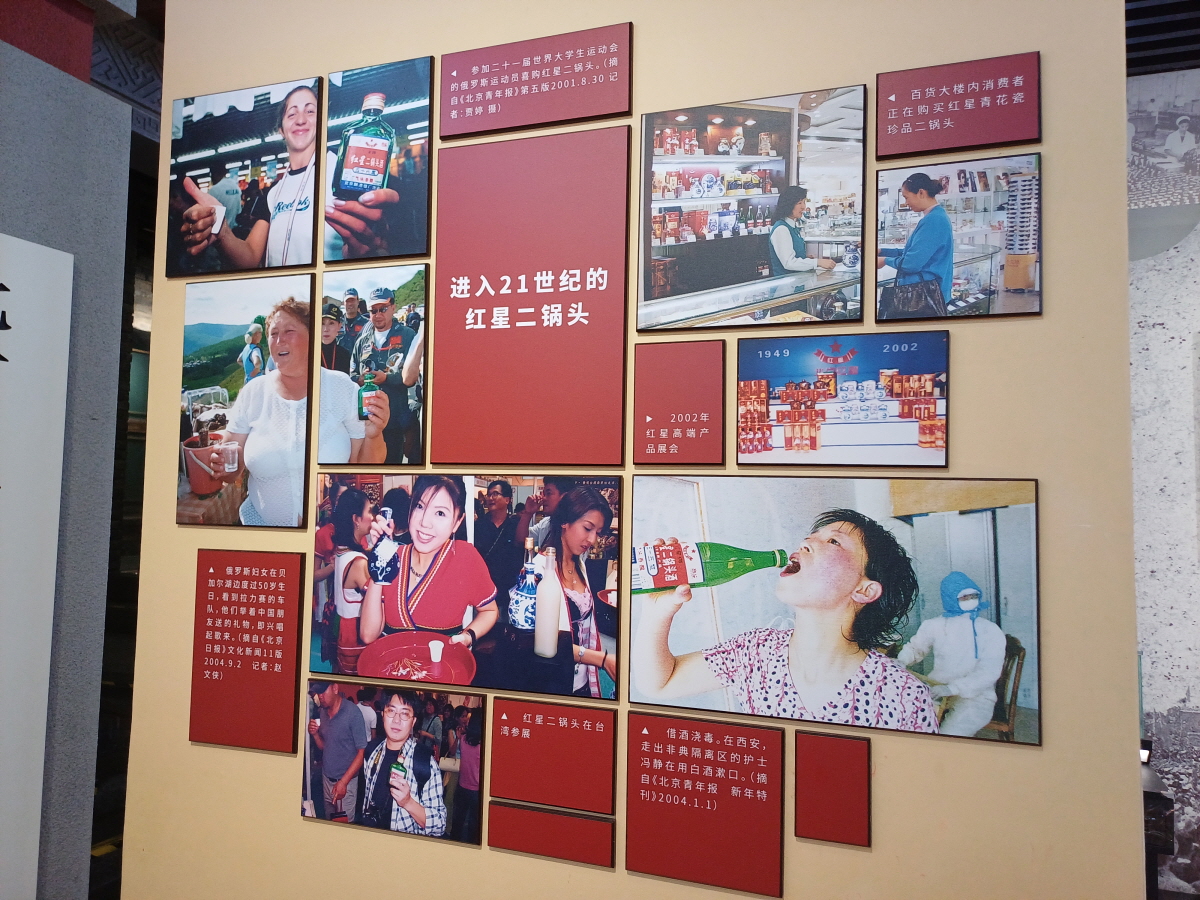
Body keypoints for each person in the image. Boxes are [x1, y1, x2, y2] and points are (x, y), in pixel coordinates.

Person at [632, 509, 938, 733]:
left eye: (834, 541)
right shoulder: (755, 650)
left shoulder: (904, 696)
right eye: (810, 537)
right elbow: (660, 684)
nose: (805, 543)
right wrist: (658, 611)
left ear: (865, 590)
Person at [210, 299, 389, 525]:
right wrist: (223, 464)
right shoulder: (252, 394)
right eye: (273, 334)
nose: (279, 340)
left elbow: (363, 467)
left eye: (289, 331)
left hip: (327, 536)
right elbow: (230, 471)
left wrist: (374, 435)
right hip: (262, 532)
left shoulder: (343, 389)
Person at [181, 85, 398, 270]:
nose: (301, 120)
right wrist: (222, 230)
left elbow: (372, 240)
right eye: (292, 114)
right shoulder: (274, 193)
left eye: (310, 111)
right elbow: (250, 257)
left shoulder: (344, 173)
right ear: (281, 129)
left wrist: (367, 252)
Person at [360, 475, 499, 647]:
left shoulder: (465, 557)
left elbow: (490, 610)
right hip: (393, 662)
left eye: (440, 513)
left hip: (443, 662)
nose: (425, 522)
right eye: (419, 506)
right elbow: (368, 635)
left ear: (457, 522)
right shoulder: (393, 556)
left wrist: (468, 636)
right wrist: (379, 560)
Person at [897, 571, 1006, 738]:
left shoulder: (990, 630)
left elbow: (988, 672)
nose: (971, 600)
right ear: (950, 598)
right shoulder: (934, 625)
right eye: (965, 597)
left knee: (949, 736)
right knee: (907, 723)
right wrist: (902, 660)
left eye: (974, 596)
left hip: (976, 697)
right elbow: (916, 648)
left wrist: (953, 688)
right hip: (937, 690)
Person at [535, 487, 617, 698]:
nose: (592, 540)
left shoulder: (579, 564)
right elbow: (544, 640)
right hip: (553, 681)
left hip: (581, 679)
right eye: (587, 528)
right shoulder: (538, 570)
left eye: (597, 532)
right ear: (565, 521)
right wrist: (601, 659)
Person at [359, 689, 446, 836]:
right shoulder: (372, 750)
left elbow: (440, 825)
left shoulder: (425, 763)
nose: (396, 720)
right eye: (391, 711)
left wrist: (408, 802)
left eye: (405, 714)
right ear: (383, 714)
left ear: (413, 721)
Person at [350, 287, 417, 464]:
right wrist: (360, 379)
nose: (378, 314)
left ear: (393, 308)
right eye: (373, 310)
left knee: (392, 466)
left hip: (395, 420)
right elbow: (352, 375)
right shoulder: (362, 340)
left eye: (383, 309)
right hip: (367, 421)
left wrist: (387, 378)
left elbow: (413, 377)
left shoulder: (408, 335)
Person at [876, 172, 954, 318]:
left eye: (906, 197)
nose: (906, 203)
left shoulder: (934, 220)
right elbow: (914, 252)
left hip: (925, 297)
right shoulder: (935, 216)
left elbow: (911, 264)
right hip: (928, 294)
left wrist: (885, 261)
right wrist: (882, 251)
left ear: (921, 193)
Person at [307, 682, 367, 823]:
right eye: (318, 693)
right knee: (330, 819)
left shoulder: (353, 713)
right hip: (327, 777)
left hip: (346, 781)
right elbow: (325, 747)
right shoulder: (323, 712)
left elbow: (361, 753)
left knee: (344, 824)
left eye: (323, 691)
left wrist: (343, 782)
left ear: (335, 688)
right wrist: (315, 735)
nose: (320, 696)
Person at [329, 488, 372, 673]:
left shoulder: (341, 551)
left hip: (343, 629)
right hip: (356, 634)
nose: (372, 517)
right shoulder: (358, 563)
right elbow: (380, 598)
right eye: (369, 511)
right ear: (356, 519)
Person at [768, 185, 837, 277]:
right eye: (799, 203)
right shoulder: (781, 229)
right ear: (789, 204)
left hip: (797, 281)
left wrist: (805, 258)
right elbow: (789, 263)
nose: (803, 207)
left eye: (804, 202)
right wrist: (817, 262)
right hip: (787, 282)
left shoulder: (793, 226)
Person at [474, 479, 523, 601]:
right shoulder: (478, 525)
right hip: (483, 588)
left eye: (495, 494)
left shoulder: (515, 525)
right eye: (489, 494)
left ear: (507, 499)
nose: (490, 498)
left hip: (509, 590)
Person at [517, 476, 577, 548]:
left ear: (564, 497)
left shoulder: (576, 526)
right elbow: (521, 542)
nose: (544, 498)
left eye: (549, 493)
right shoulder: (545, 523)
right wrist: (528, 514)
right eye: (544, 494)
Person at [450, 709, 483, 843]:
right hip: (477, 789)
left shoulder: (463, 739)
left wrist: (458, 736)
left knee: (458, 820)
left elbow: (453, 752)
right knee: (473, 824)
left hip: (462, 784)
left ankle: (454, 843)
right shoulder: (484, 745)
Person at [319, 302, 351, 374]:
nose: (326, 329)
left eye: (331, 323)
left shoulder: (344, 355)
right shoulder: (308, 352)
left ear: (339, 326)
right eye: (322, 323)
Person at [338, 289, 369, 356]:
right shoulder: (337, 324)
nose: (350, 304)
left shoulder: (367, 324)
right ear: (343, 303)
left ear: (358, 302)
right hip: (340, 361)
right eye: (347, 301)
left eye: (352, 300)